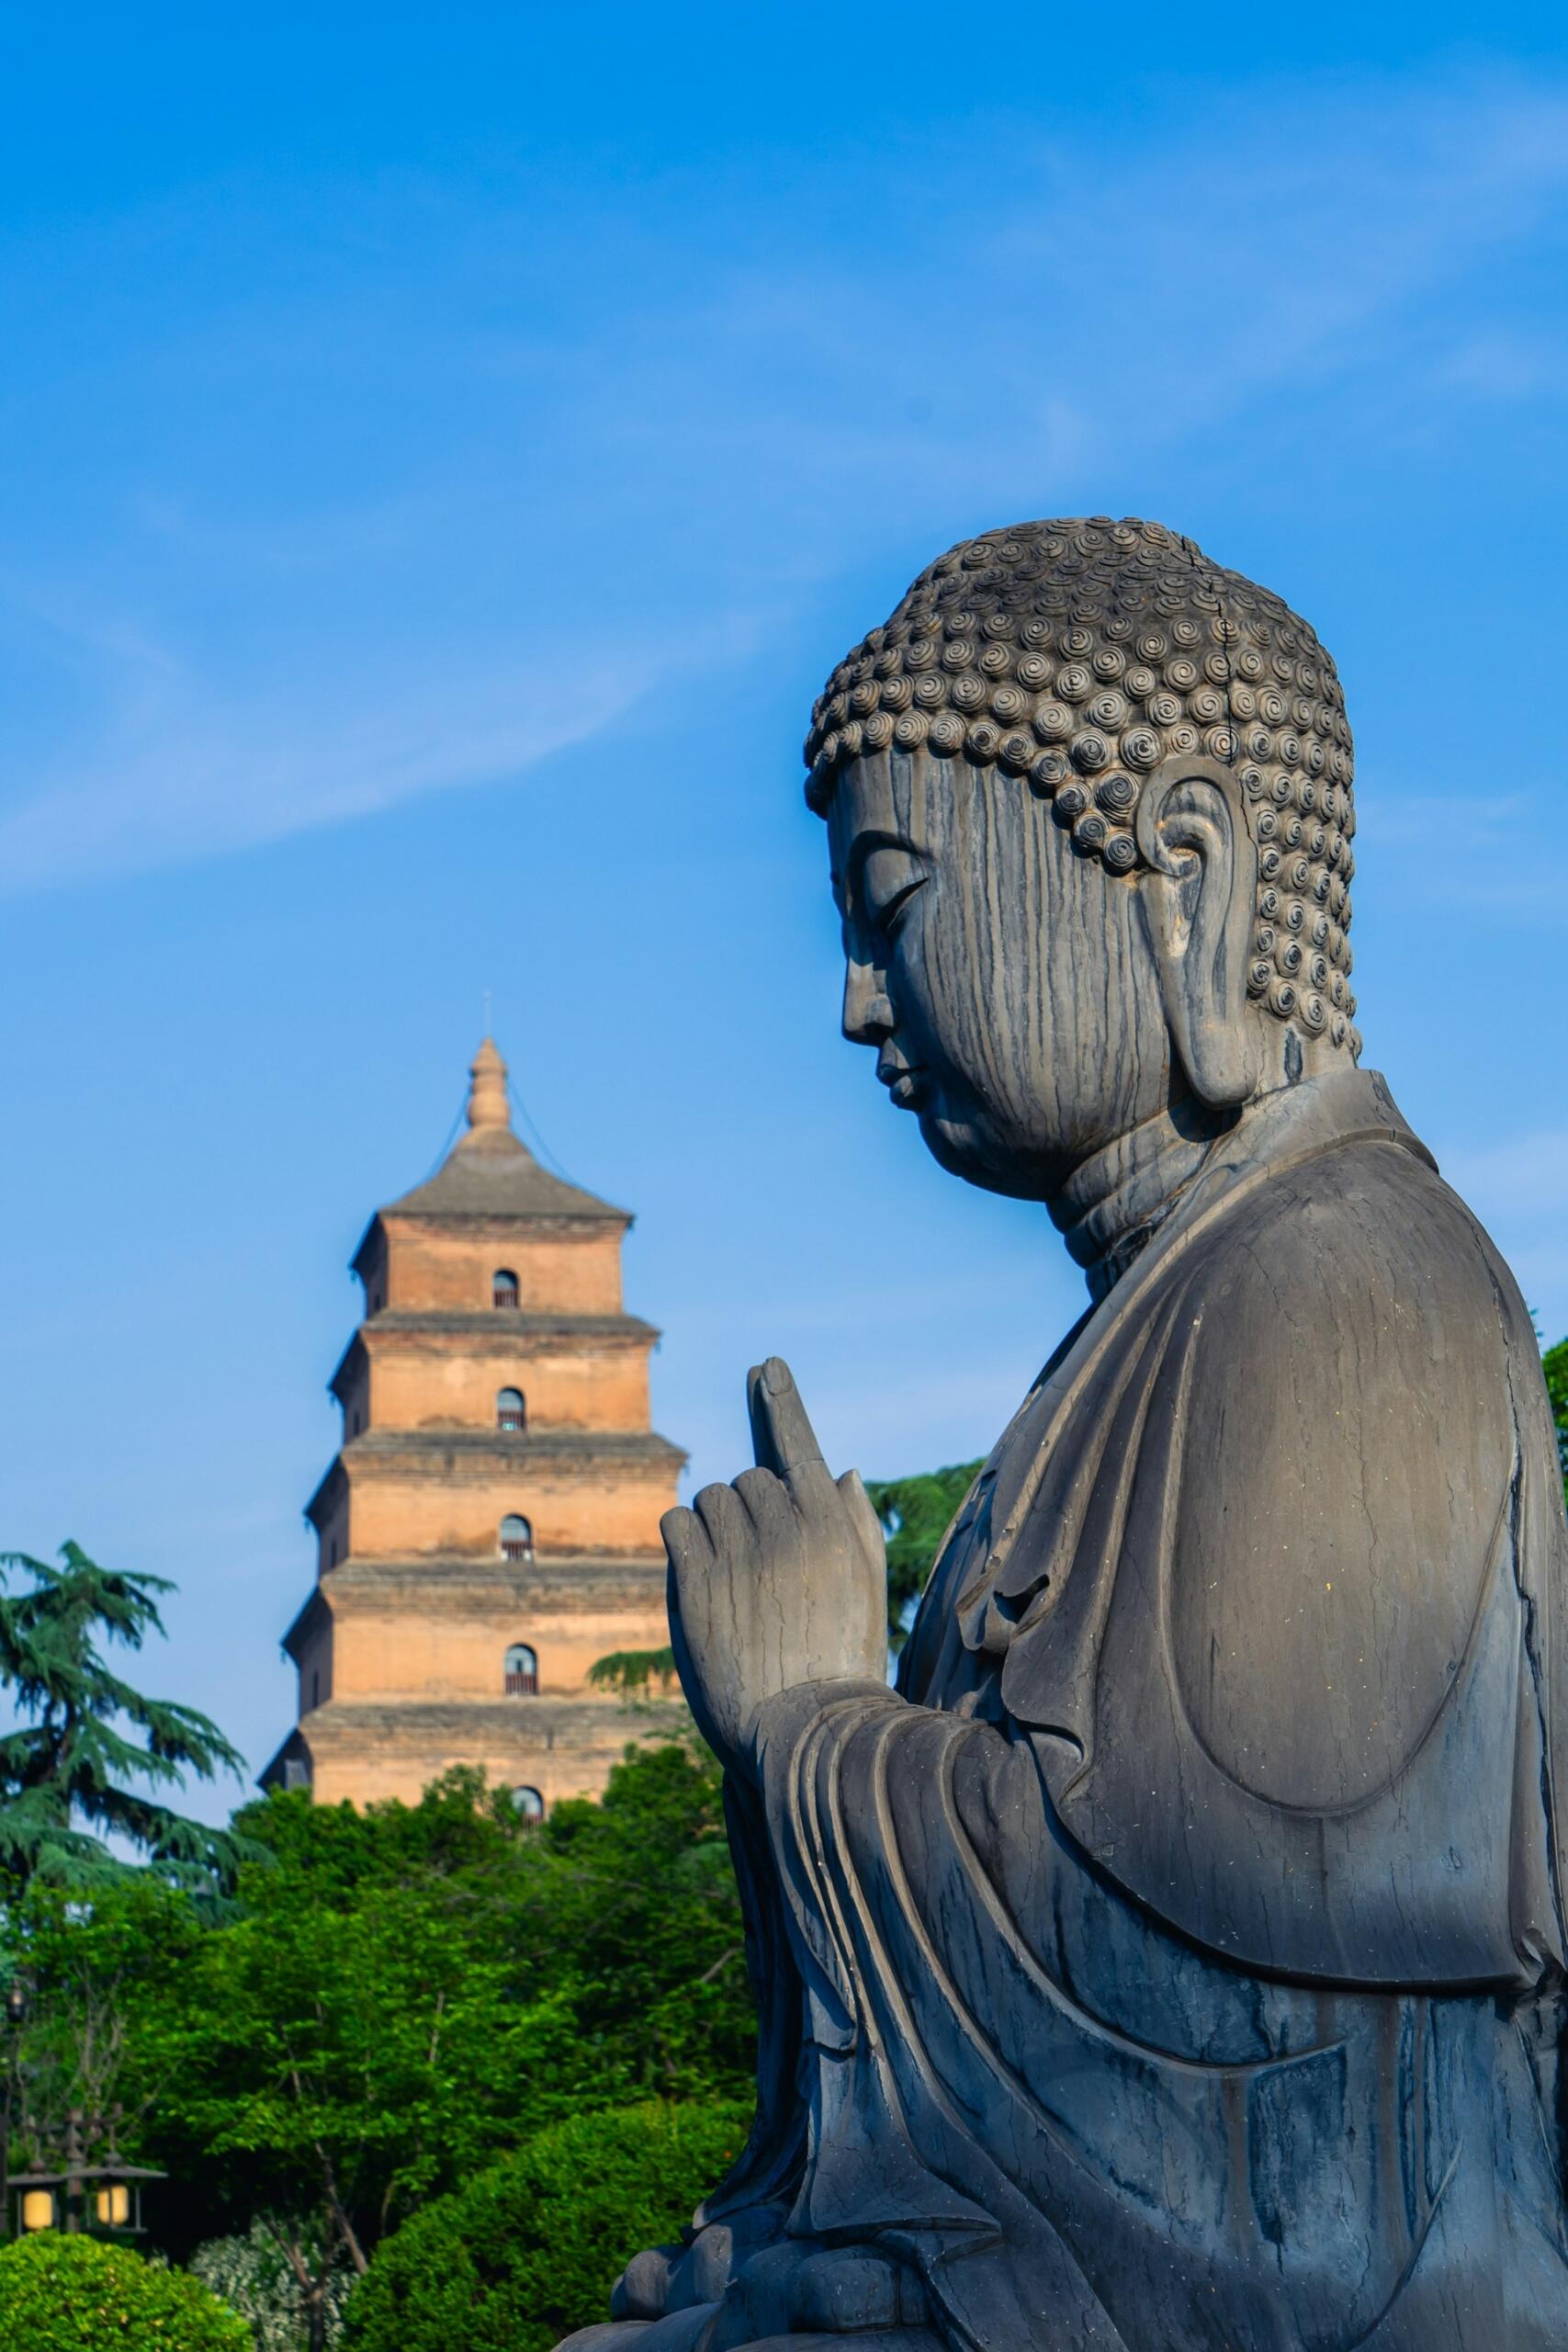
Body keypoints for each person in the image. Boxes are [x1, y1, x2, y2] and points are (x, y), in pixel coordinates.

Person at [562, 518, 1568, 2350]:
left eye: (896, 906)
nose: (859, 1002)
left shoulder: (1345, 1284)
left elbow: (1196, 1976)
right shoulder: (1140, 1327)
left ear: (1176, 873)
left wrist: (804, 1715)